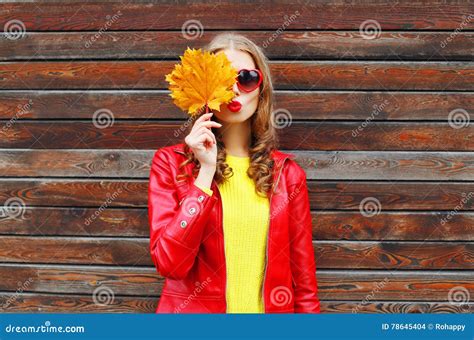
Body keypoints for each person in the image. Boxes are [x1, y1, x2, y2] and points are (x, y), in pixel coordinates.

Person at [148, 33, 320, 313]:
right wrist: (204, 174)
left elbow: (304, 283)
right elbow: (170, 264)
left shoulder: (288, 175)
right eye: (222, 79)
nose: (235, 89)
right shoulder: (171, 163)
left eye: (247, 78)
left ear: (261, 89)